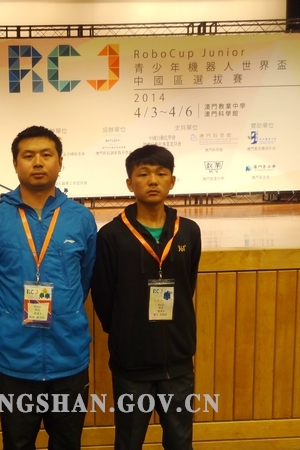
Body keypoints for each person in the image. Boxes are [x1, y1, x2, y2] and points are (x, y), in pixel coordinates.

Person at [0, 125, 97, 450]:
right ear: (15, 164)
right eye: (28, 156)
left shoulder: (80, 218)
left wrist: (66, 310)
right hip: (15, 357)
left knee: (67, 442)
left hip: (68, 354)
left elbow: (85, 278)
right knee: (17, 442)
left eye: (46, 155)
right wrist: (8, 315)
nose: (38, 162)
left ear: (60, 162)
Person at [90, 145, 202, 450]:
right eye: (143, 174)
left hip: (178, 363)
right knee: (128, 441)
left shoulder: (189, 232)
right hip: (131, 365)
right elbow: (103, 296)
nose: (152, 180)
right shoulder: (111, 236)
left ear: (172, 181)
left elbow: (187, 285)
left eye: (161, 174)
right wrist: (126, 332)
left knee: (180, 441)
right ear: (130, 183)